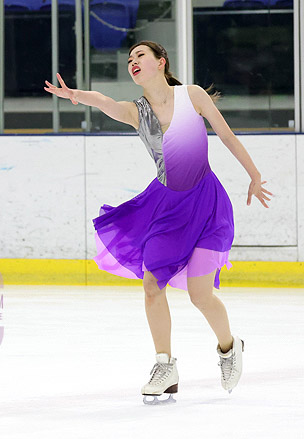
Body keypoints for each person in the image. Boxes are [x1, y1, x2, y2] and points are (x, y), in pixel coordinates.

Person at [45, 41, 272, 404]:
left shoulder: (192, 96)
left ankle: (230, 348)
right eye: (130, 58)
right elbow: (103, 101)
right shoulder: (136, 112)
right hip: (165, 208)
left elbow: (226, 135)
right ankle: (165, 366)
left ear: (160, 62)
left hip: (206, 204)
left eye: (140, 56)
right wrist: (74, 94)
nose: (132, 62)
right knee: (152, 285)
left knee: (200, 294)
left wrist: (254, 175)